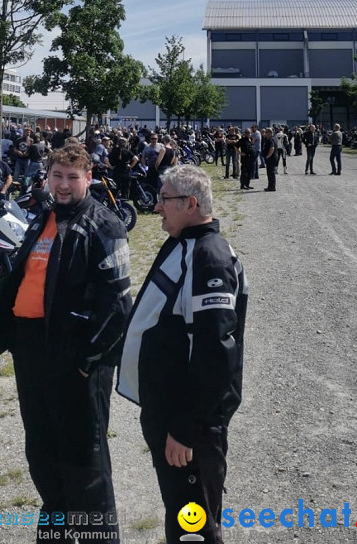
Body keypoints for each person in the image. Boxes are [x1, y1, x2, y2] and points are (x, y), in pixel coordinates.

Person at [0, 146, 131, 543]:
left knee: (86, 465)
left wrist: (87, 360)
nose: (63, 185)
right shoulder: (44, 215)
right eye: (57, 176)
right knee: (43, 456)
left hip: (77, 361)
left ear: (88, 178)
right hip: (34, 354)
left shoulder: (105, 224)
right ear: (47, 176)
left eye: (72, 177)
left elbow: (118, 307)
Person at [117, 165, 248, 544]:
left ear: (191, 204)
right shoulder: (183, 242)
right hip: (170, 412)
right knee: (181, 515)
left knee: (195, 525)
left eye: (164, 199)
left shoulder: (209, 258)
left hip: (190, 425)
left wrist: (186, 430)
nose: (157, 207)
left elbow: (215, 353)